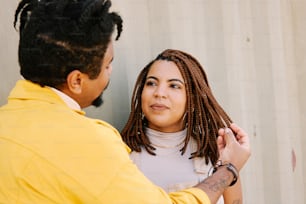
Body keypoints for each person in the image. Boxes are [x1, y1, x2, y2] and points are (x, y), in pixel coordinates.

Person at [0, 0, 250, 203]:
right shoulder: (94, 144)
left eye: (174, 85)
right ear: (77, 81)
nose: (160, 93)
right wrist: (229, 170)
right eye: (108, 65)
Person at [121, 49, 248, 203]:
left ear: (192, 98)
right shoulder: (121, 154)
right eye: (151, 83)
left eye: (174, 86)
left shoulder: (216, 153)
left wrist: (228, 165)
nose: (159, 93)